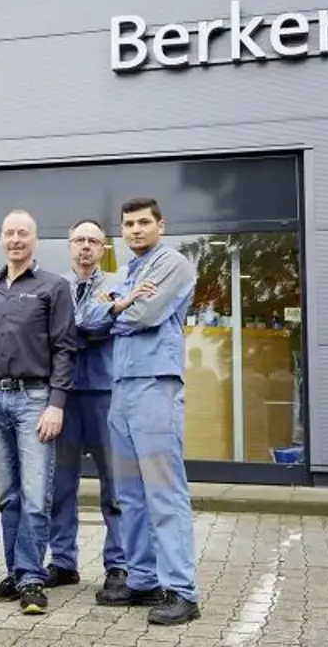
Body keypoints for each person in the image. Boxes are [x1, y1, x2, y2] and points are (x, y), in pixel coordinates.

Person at [95, 197, 201, 626]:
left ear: (161, 225)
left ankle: (182, 591)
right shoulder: (127, 273)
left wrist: (114, 307)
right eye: (128, 224)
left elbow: (145, 314)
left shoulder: (173, 264)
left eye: (143, 222)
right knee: (130, 494)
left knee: (163, 491)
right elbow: (87, 319)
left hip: (155, 386)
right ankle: (143, 580)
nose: (135, 230)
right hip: (121, 388)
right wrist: (120, 304)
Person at [0, 209, 78, 615]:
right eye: (9, 233)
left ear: (35, 240)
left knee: (35, 495)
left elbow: (65, 348)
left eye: (23, 233)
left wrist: (56, 404)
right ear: (1, 239)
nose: (15, 239)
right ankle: (17, 574)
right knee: (8, 496)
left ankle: (32, 578)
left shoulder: (53, 287)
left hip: (35, 400)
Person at [46, 219, 127, 591]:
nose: (85, 247)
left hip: (103, 393)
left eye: (93, 241)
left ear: (103, 248)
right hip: (63, 396)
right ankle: (63, 562)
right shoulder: (55, 287)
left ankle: (119, 564)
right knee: (60, 485)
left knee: (115, 484)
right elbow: (54, 335)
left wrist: (79, 326)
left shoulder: (117, 284)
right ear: (69, 245)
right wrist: (91, 321)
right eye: (79, 240)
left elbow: (102, 327)